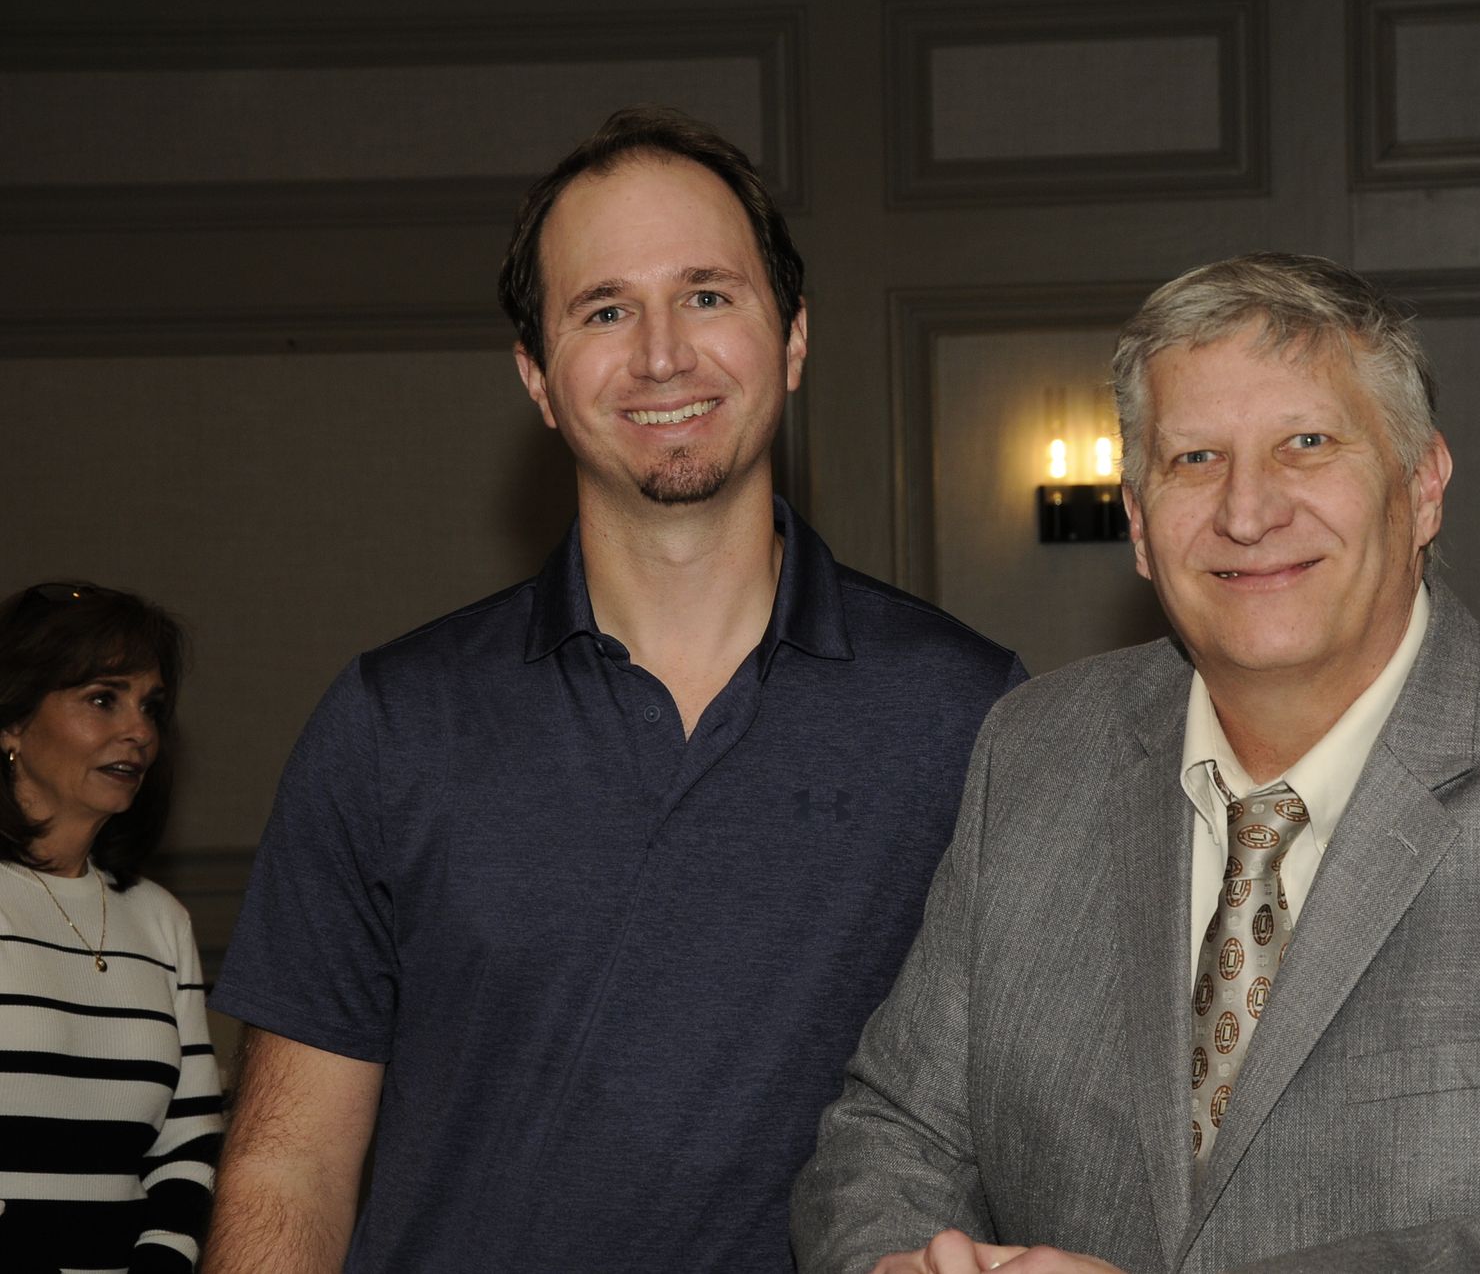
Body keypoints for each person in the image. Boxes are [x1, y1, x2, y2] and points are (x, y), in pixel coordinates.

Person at [791, 253, 1480, 1273]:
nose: (1246, 511)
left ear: (1423, 486)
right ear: (1138, 526)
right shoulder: (1033, 750)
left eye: (1307, 444)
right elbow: (894, 1135)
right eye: (1193, 460)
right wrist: (899, 1262)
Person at [201, 106, 1024, 1273]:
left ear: (792, 338)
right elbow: (291, 1163)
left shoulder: (972, 713)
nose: (661, 355)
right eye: (604, 309)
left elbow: (1027, 1128)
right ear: (538, 376)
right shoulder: (394, 722)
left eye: (707, 294)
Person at [0, 581, 224, 1273]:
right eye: (104, 698)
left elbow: (190, 1143)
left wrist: (161, 1261)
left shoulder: (159, 918)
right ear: (11, 722)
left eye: (150, 706)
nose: (139, 730)